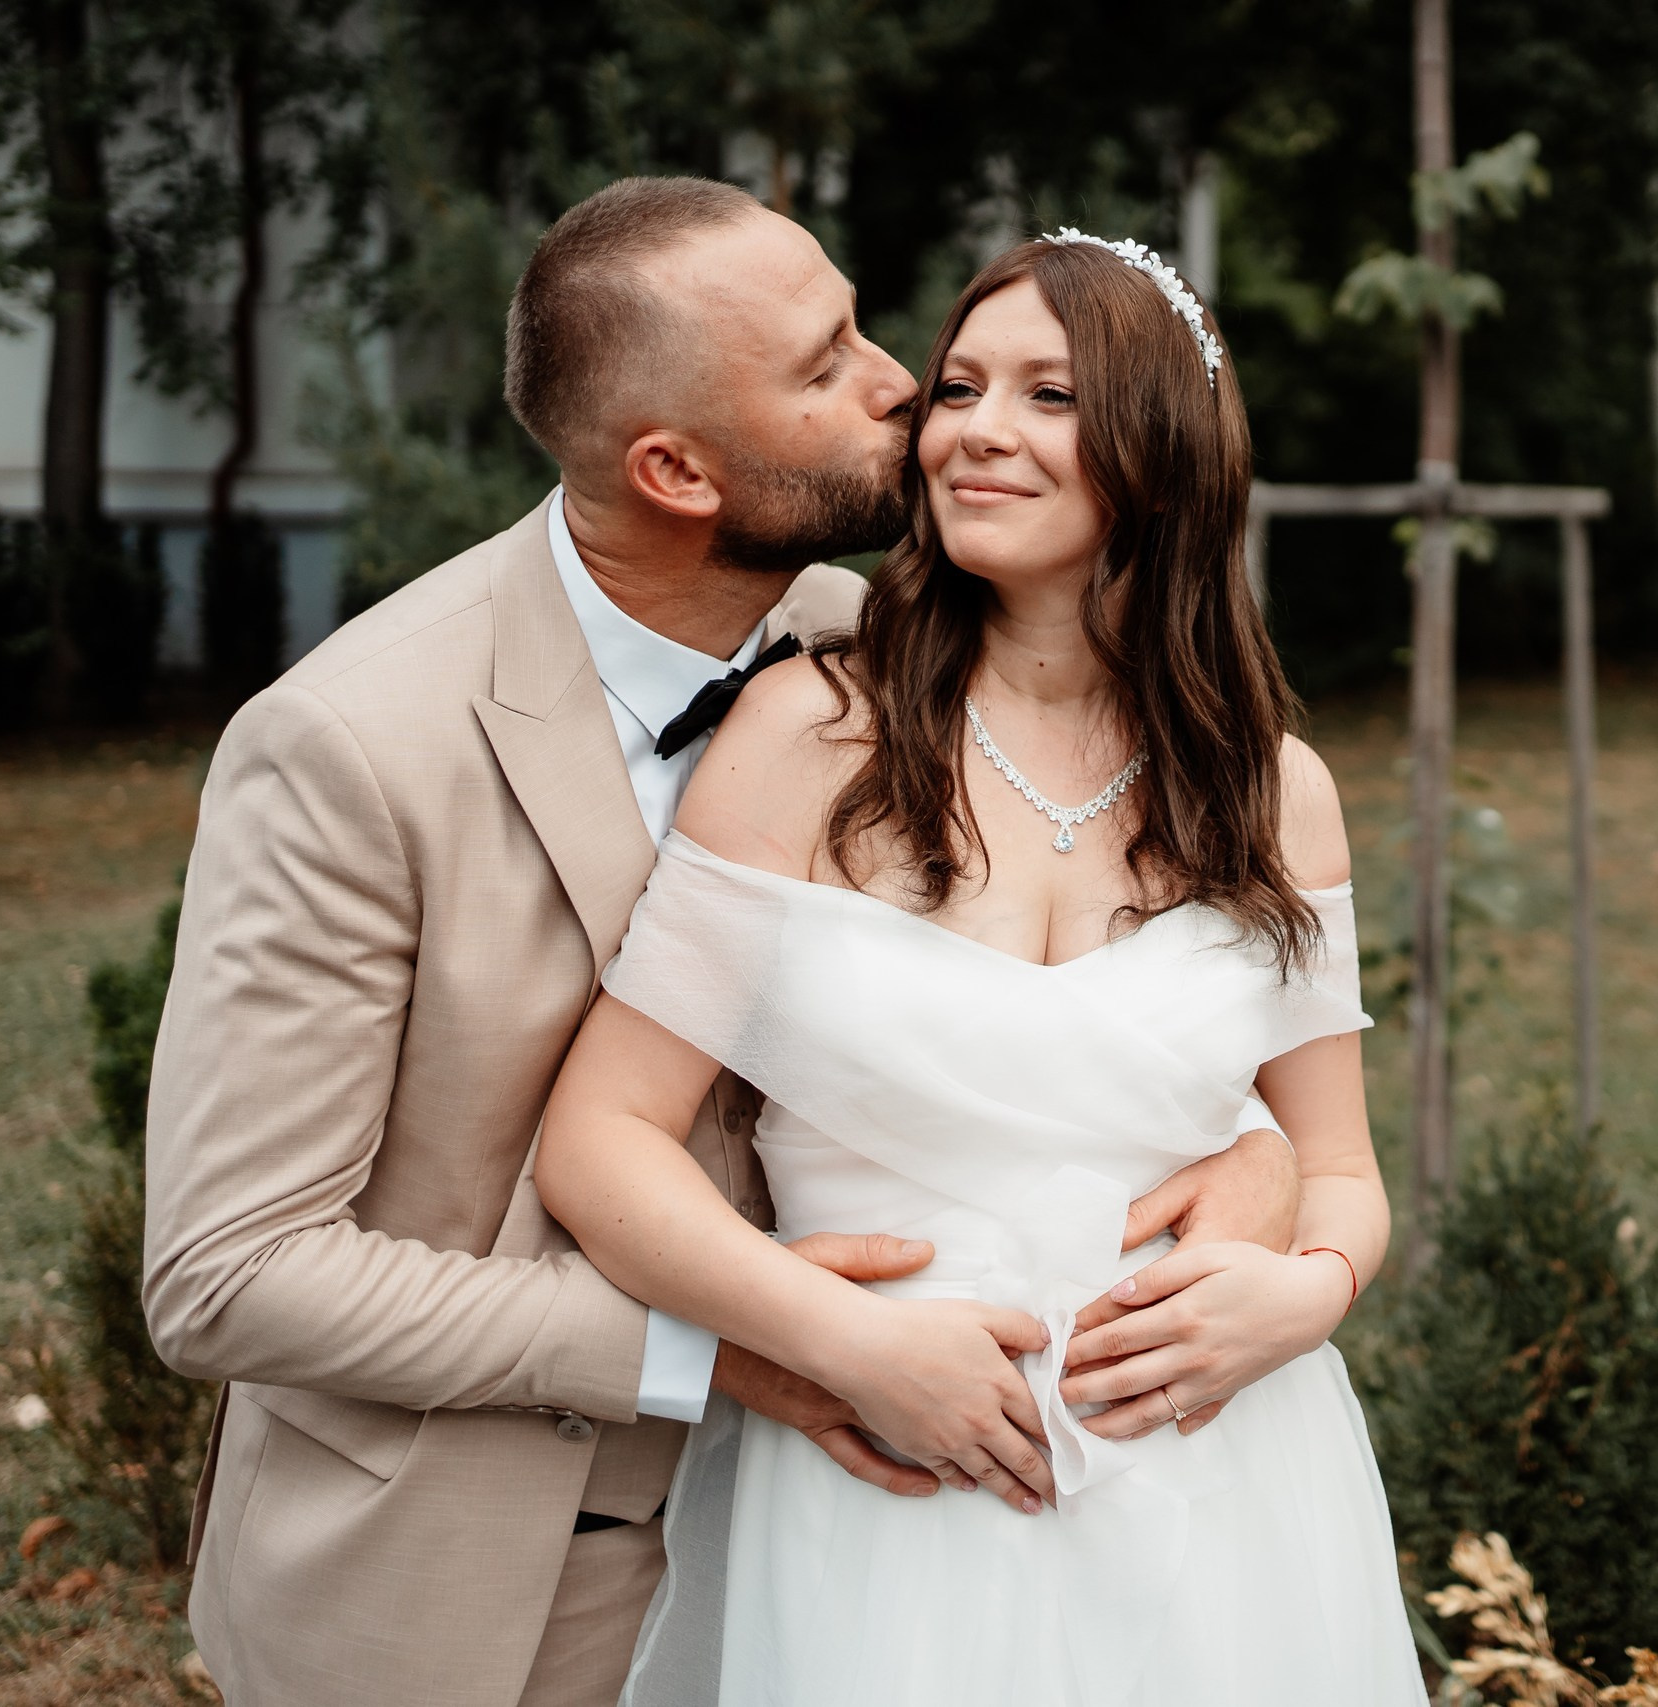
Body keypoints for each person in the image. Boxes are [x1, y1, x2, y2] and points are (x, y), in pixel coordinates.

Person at [142, 179, 1300, 1707]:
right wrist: (732, 1354)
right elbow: (231, 1275)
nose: (905, 384)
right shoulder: (351, 748)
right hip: (485, 1578)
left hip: (885, 1541)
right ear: (678, 469)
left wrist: (1267, 1155)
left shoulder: (881, 651)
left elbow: (1088, 972)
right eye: (825, 369)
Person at [535, 232, 1425, 1705]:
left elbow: (1339, 1164)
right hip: (894, 1501)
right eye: (958, 386)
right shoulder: (811, 737)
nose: (975, 430)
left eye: (1051, 395)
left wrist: (1312, 1290)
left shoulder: (1275, 794)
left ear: (1163, 451)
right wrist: (837, 1343)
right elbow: (600, 1137)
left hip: (1228, 1492)